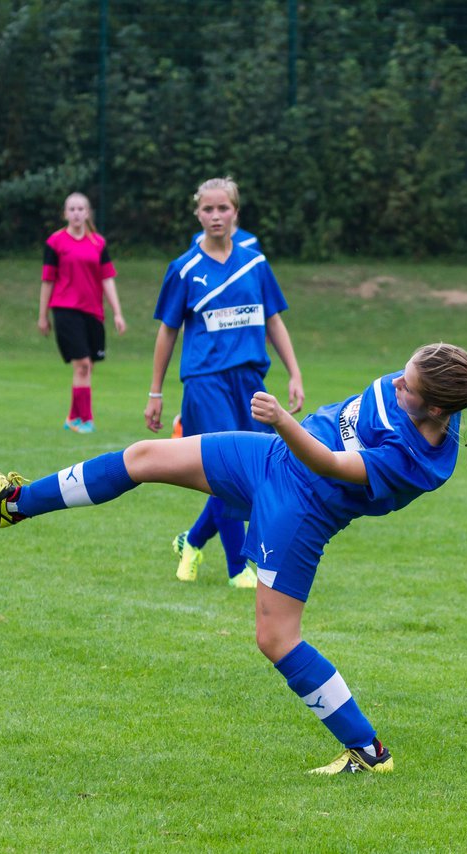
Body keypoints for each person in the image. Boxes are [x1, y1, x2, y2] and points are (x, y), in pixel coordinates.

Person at [0, 342, 467, 775]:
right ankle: (12, 504)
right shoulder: (429, 382)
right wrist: (285, 431)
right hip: (270, 458)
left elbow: (333, 467)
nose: (395, 384)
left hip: (301, 507)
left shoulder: (421, 460)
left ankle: (368, 751)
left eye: (406, 386)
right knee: (143, 456)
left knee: (276, 638)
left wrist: (285, 422)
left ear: (433, 408)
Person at [146, 177, 304, 589]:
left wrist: (294, 372)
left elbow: (274, 320)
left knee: (257, 472)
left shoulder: (255, 264)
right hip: (204, 382)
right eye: (208, 210)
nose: (216, 216)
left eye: (223, 209)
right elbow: (167, 332)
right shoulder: (184, 269)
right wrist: (156, 392)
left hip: (250, 380)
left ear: (236, 212)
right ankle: (239, 570)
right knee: (226, 469)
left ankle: (192, 539)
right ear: (197, 213)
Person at [39, 192, 127, 434]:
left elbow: (107, 279)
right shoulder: (55, 243)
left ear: (87, 213)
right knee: (83, 365)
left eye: (81, 209)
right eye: (72, 209)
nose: (76, 213)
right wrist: (42, 315)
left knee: (87, 367)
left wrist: (117, 313)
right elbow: (47, 280)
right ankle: (86, 420)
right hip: (65, 310)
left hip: (93, 312)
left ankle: (72, 418)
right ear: (65, 213)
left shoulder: (98, 243)